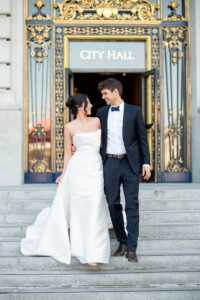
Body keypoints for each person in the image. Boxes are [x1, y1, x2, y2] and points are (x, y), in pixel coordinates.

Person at [20, 94, 110, 267]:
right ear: (80, 106)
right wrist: (63, 173)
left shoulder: (97, 121)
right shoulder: (69, 127)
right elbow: (68, 153)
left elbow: (105, 143)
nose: (91, 105)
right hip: (77, 169)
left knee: (95, 205)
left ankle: (96, 250)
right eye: (89, 103)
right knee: (80, 208)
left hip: (95, 168)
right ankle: (85, 251)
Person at [96, 78, 151, 263]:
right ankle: (122, 242)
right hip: (110, 163)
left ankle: (132, 247)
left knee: (132, 204)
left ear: (115, 92)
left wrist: (146, 163)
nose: (103, 97)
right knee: (112, 203)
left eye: (105, 94)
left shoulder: (135, 111)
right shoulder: (101, 113)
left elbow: (142, 139)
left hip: (130, 164)